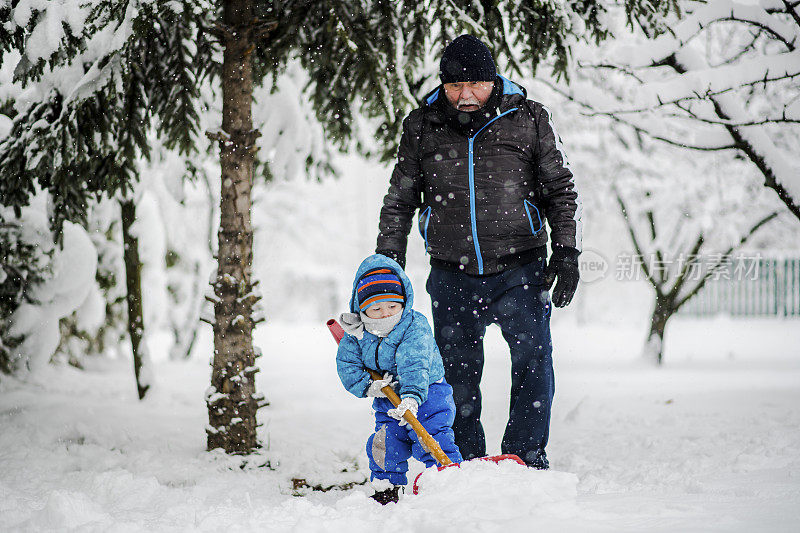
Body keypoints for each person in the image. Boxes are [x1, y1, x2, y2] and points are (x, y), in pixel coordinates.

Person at [376, 35, 582, 470]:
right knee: (454, 373)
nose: (464, 95)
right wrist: (388, 262)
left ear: (493, 81)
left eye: (475, 84)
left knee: (532, 360)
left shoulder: (527, 118)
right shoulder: (422, 125)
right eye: (454, 85)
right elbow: (400, 199)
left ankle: (524, 456)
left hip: (520, 267)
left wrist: (565, 252)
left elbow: (559, 189)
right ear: (443, 85)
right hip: (452, 272)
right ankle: (464, 460)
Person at [336, 254, 463, 505]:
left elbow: (415, 362)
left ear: (403, 301)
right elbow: (348, 366)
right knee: (384, 442)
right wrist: (370, 387)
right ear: (362, 309)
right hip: (386, 396)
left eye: (393, 306)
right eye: (376, 309)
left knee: (431, 436)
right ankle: (386, 486)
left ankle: (448, 480)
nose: (385, 314)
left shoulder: (414, 325)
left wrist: (412, 397)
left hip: (427, 393)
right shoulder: (356, 334)